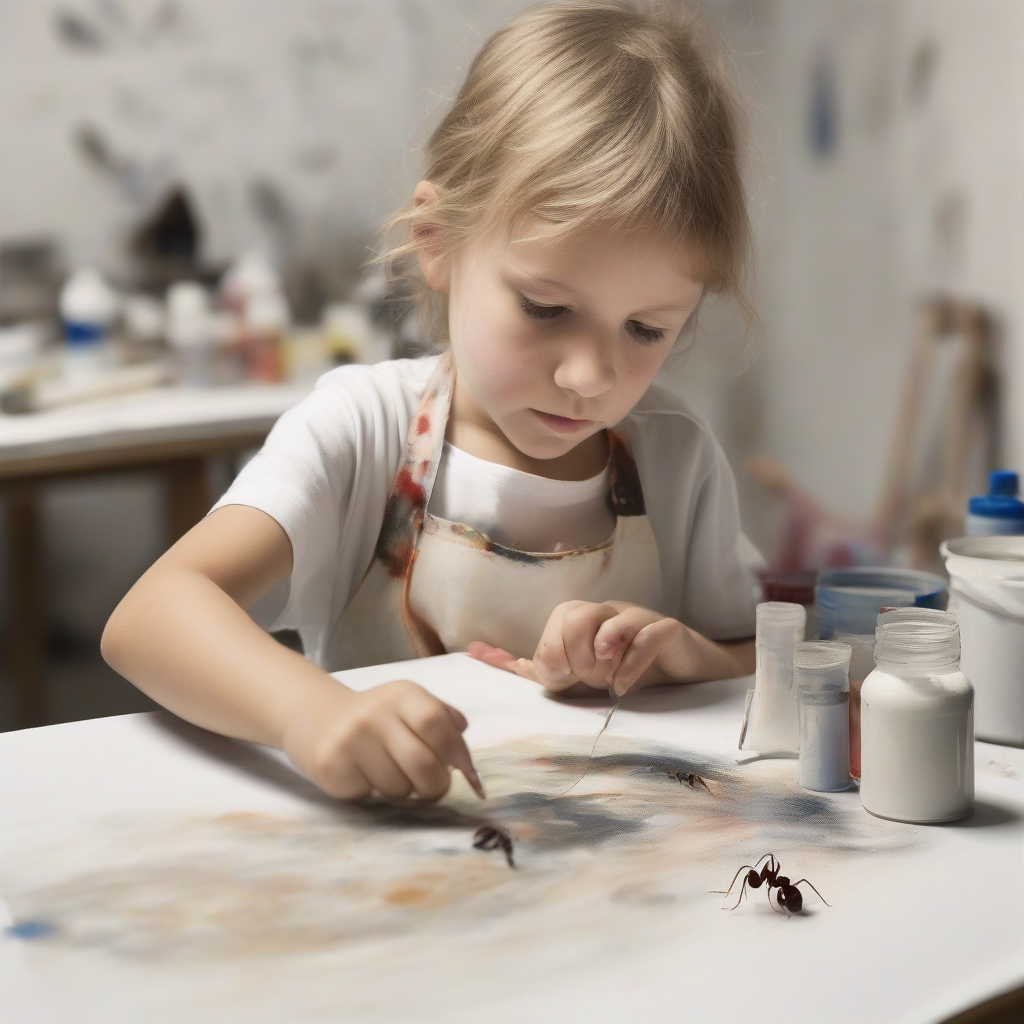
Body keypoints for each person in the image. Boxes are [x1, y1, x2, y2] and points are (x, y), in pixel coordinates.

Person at [102, 1, 761, 806]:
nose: (591, 374)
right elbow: (149, 618)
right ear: (438, 242)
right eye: (546, 309)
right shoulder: (361, 429)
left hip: (611, 865)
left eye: (647, 328)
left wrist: (688, 655)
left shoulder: (676, 458)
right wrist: (309, 713)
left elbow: (753, 654)